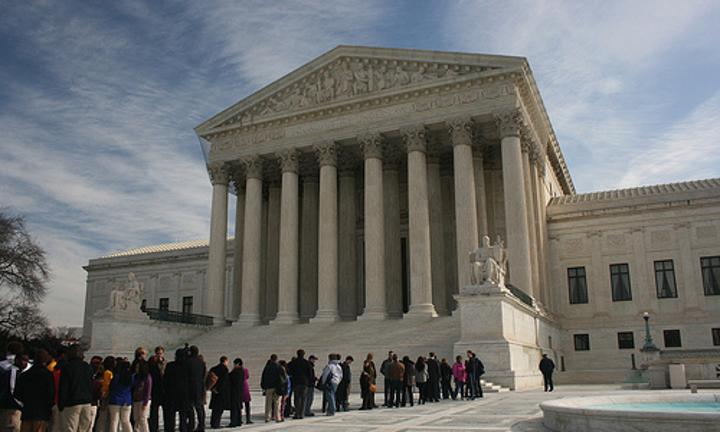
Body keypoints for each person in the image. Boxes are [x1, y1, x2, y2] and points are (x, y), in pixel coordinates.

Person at [14, 349, 54, 432]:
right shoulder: (48, 375)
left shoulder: (24, 375)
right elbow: (51, 394)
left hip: (27, 412)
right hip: (42, 412)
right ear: (46, 360)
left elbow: (17, 394)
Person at [57, 345, 94, 432]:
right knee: (84, 429)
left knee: (70, 428)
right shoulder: (88, 367)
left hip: (72, 403)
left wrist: (61, 404)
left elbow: (64, 387)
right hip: (87, 402)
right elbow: (91, 385)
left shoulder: (67, 368)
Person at [162, 349, 192, 432]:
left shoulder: (170, 365)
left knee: (170, 415)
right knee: (183, 415)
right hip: (184, 394)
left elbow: (165, 380)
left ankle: (170, 429)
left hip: (171, 394)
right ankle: (183, 429)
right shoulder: (188, 366)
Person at [1, 352, 29, 432]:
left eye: (27, 360)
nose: (25, 363)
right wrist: (21, 404)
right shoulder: (13, 372)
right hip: (11, 409)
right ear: (16, 360)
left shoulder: (18, 372)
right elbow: (12, 389)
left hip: (12, 408)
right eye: (23, 360)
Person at [287, 350, 312, 419]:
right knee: (303, 398)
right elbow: (310, 373)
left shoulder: (293, 362)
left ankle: (297, 413)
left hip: (296, 382)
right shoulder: (306, 363)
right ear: (303, 354)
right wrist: (309, 381)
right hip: (304, 382)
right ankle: (301, 414)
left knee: (297, 398)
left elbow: (288, 370)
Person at [107, 359, 132, 432]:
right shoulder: (130, 377)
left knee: (114, 421)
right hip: (127, 400)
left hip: (115, 400)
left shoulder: (117, 376)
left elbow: (111, 387)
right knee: (126, 421)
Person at [185, 347, 205, 432]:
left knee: (190, 408)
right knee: (199, 408)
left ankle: (191, 425)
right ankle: (201, 425)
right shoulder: (201, 362)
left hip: (189, 387)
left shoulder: (187, 362)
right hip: (199, 387)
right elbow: (203, 374)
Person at [207, 357, 230, 429]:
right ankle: (216, 424)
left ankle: (213, 422)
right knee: (219, 409)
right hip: (221, 392)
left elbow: (209, 379)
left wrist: (212, 388)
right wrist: (219, 389)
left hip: (214, 391)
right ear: (225, 361)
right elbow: (224, 381)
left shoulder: (213, 368)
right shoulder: (225, 369)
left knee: (215, 408)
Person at [147, 347, 165, 432]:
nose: (159, 355)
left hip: (164, 390)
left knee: (165, 410)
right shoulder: (152, 363)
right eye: (158, 353)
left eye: (160, 353)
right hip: (155, 389)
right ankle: (153, 427)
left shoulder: (165, 363)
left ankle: (166, 426)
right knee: (154, 410)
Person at [131, 359, 152, 432]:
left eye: (138, 367)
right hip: (136, 399)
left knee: (143, 418)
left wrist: (145, 403)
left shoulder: (147, 377)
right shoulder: (135, 376)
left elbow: (148, 391)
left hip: (144, 400)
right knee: (136, 418)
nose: (136, 369)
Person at [260, 354, 281, 423]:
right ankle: (277, 417)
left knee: (268, 403)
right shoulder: (278, 366)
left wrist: (263, 386)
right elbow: (281, 377)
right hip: (277, 387)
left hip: (269, 387)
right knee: (277, 403)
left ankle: (267, 417)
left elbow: (263, 376)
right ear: (276, 359)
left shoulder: (267, 367)